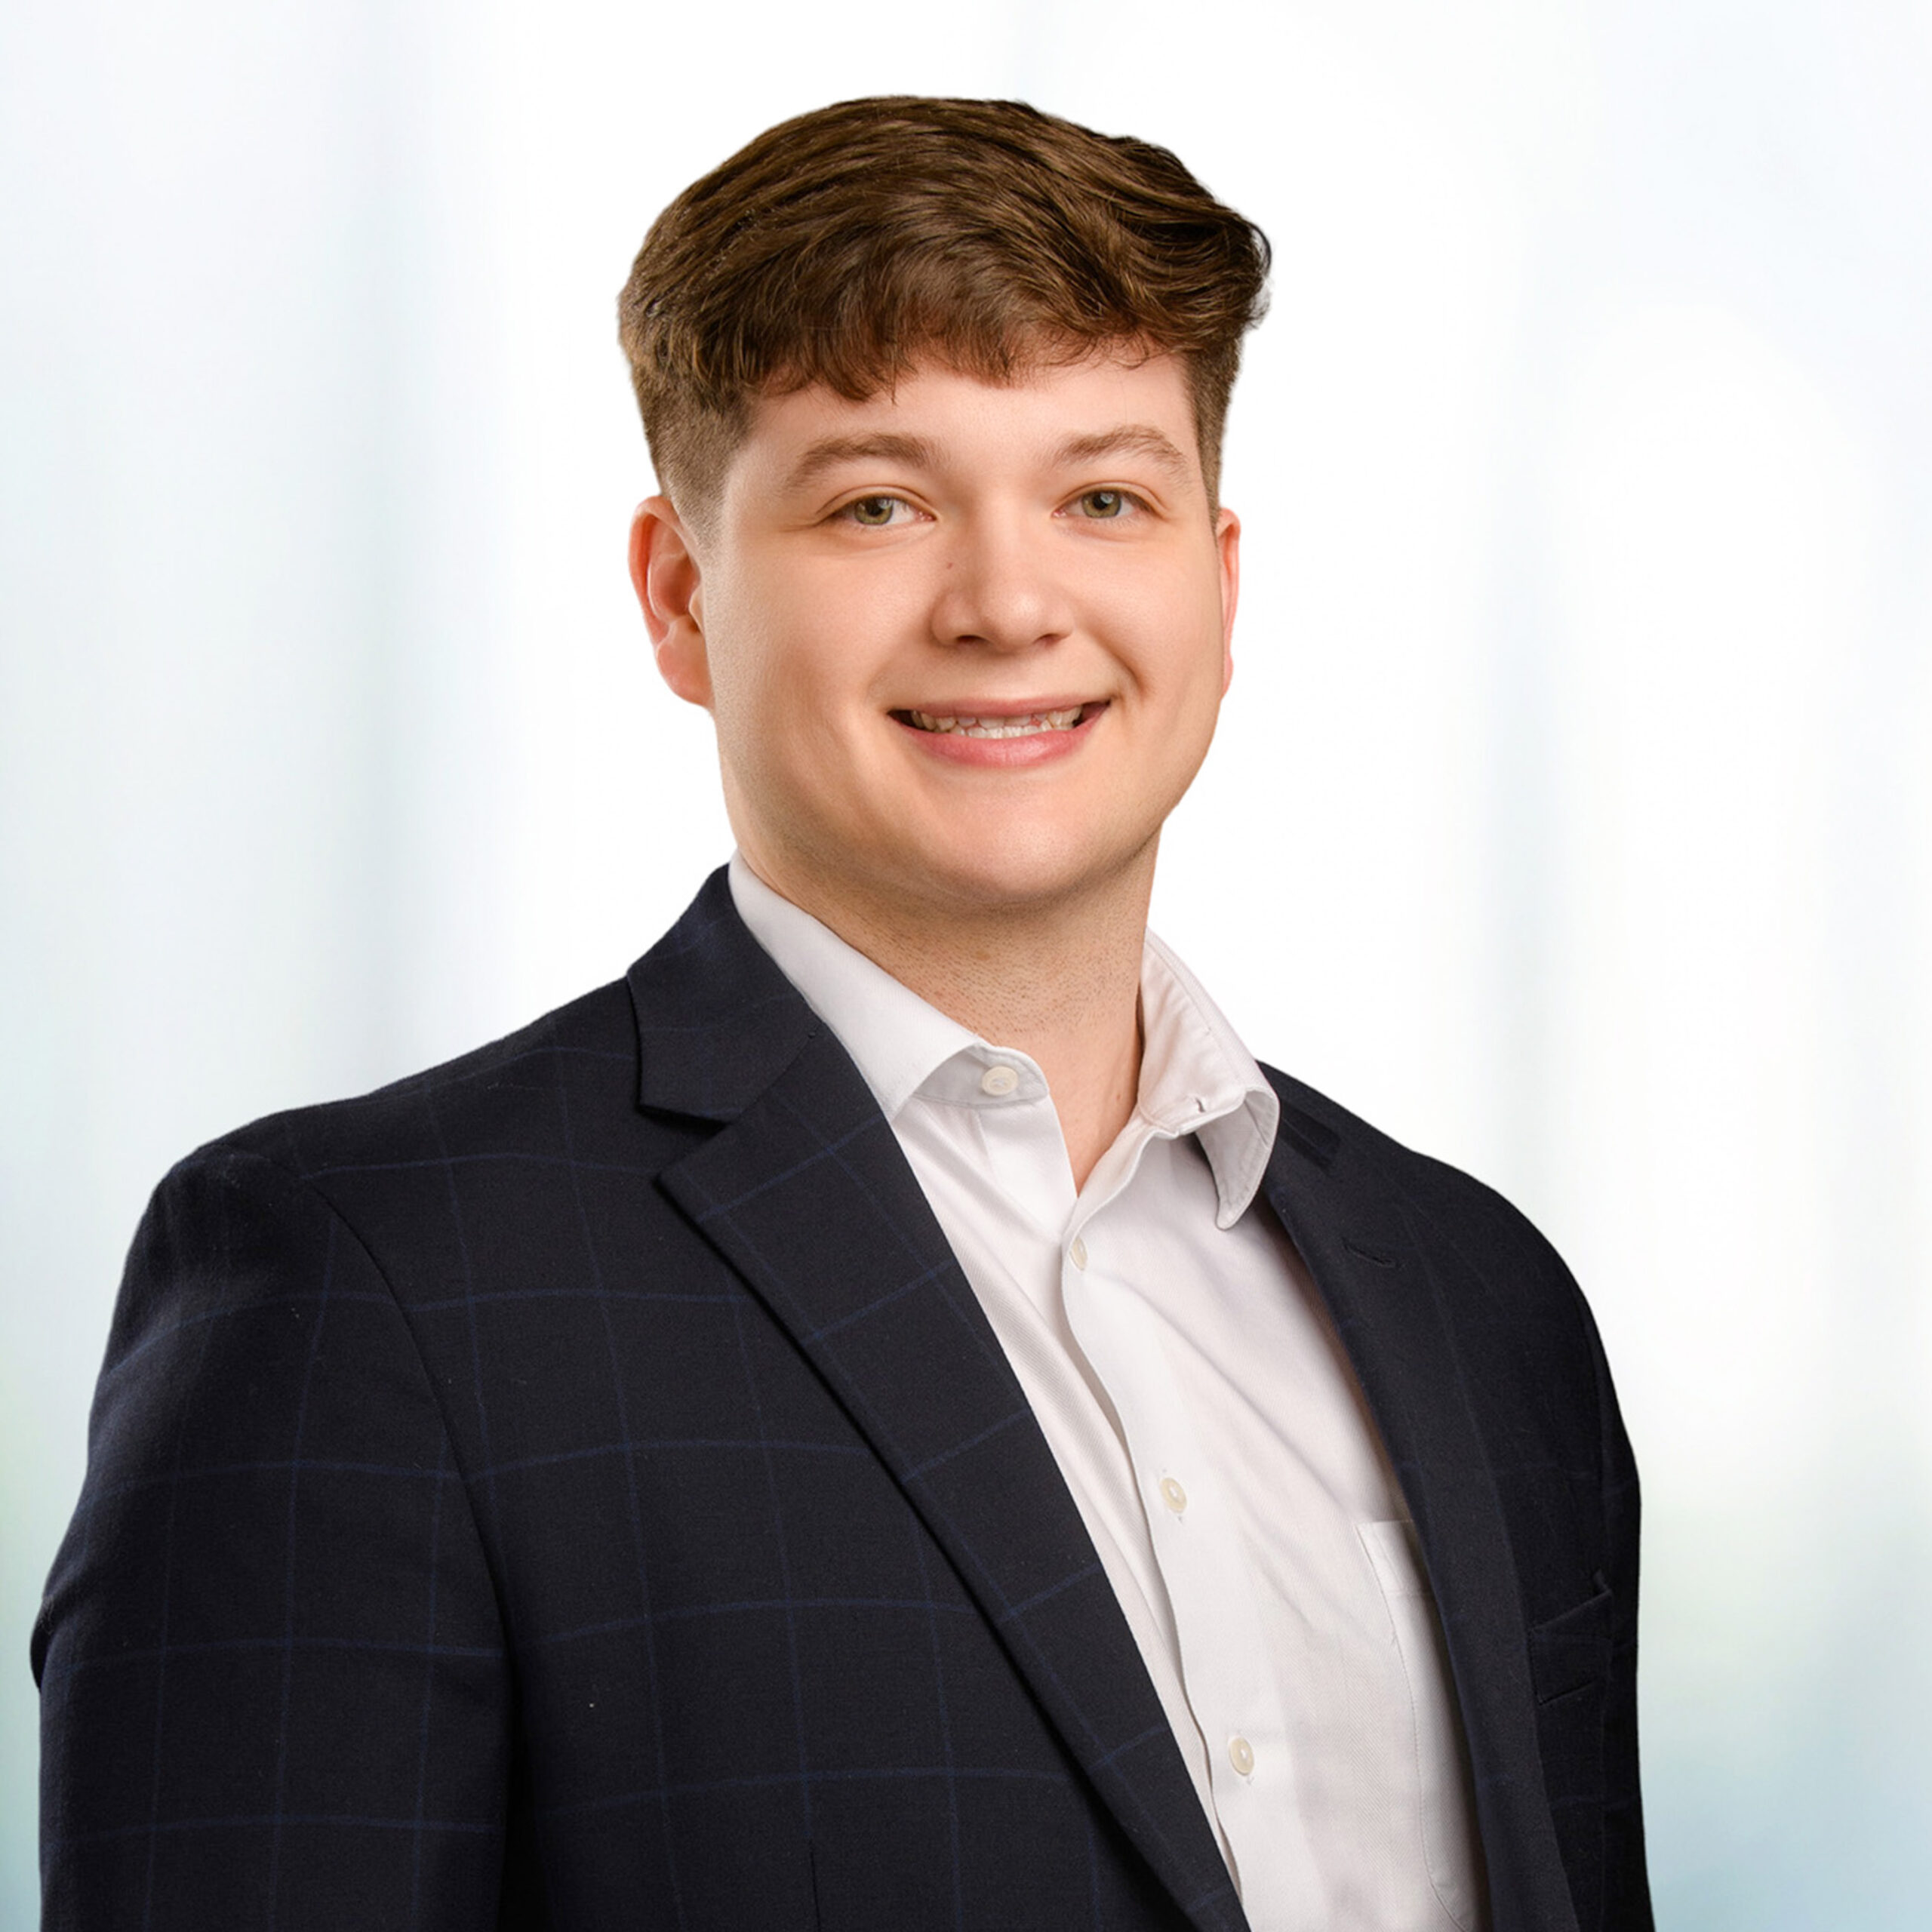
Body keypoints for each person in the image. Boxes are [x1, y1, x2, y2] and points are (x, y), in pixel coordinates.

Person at [35, 97, 1649, 1932]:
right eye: (877, 501)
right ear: (680, 595)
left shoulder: (1475, 1296)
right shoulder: (367, 1289)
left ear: (1215, 579)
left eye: (1100, 496)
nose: (1007, 603)